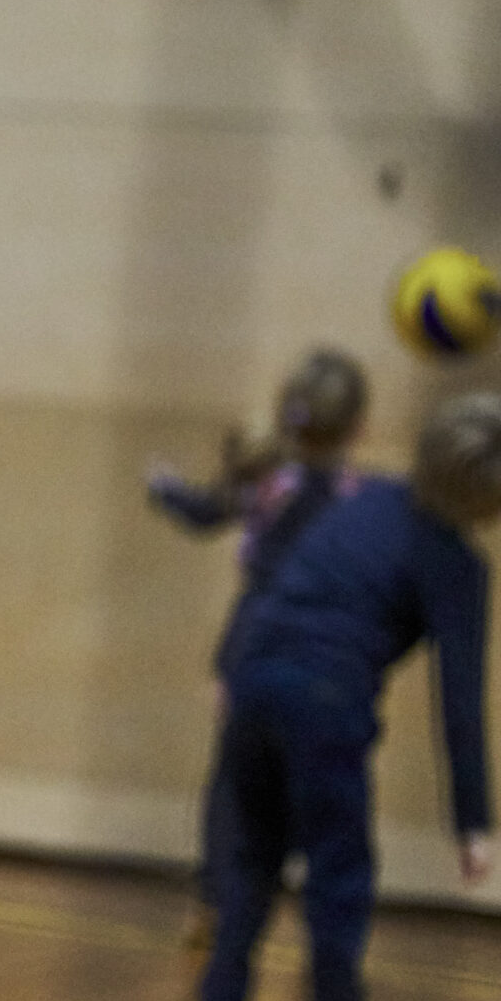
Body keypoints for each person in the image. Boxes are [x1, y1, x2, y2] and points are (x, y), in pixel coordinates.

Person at [195, 392, 501, 1001]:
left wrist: (232, 667)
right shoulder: (458, 566)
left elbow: (278, 578)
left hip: (256, 674)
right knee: (340, 874)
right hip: (325, 703)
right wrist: (473, 820)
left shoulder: (362, 498)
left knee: (256, 846)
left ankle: (222, 1000)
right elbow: (459, 700)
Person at [148, 348, 368, 932]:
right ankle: (306, 910)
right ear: (358, 424)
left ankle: (218, 902)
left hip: (253, 642)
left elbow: (203, 509)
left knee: (236, 778)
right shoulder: (360, 497)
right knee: (317, 780)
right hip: (327, 652)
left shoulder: (267, 481)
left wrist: (164, 487)